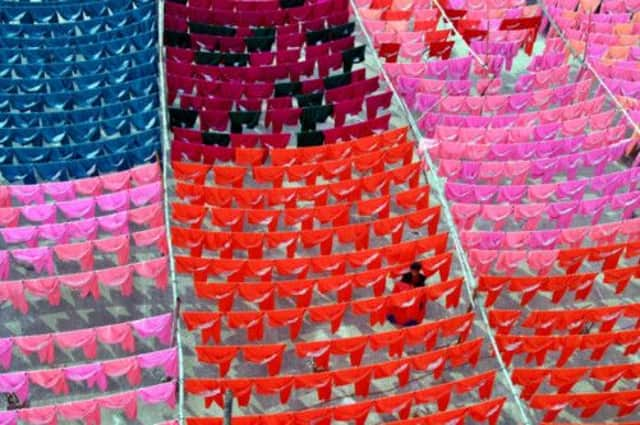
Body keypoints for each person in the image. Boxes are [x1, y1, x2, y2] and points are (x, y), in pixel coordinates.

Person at [387, 262, 427, 327]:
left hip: (414, 301)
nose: (414, 272)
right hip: (404, 298)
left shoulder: (422, 279)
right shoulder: (405, 276)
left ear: (418, 271)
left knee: (410, 314)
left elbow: (422, 298)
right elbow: (398, 288)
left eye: (415, 271)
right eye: (413, 270)